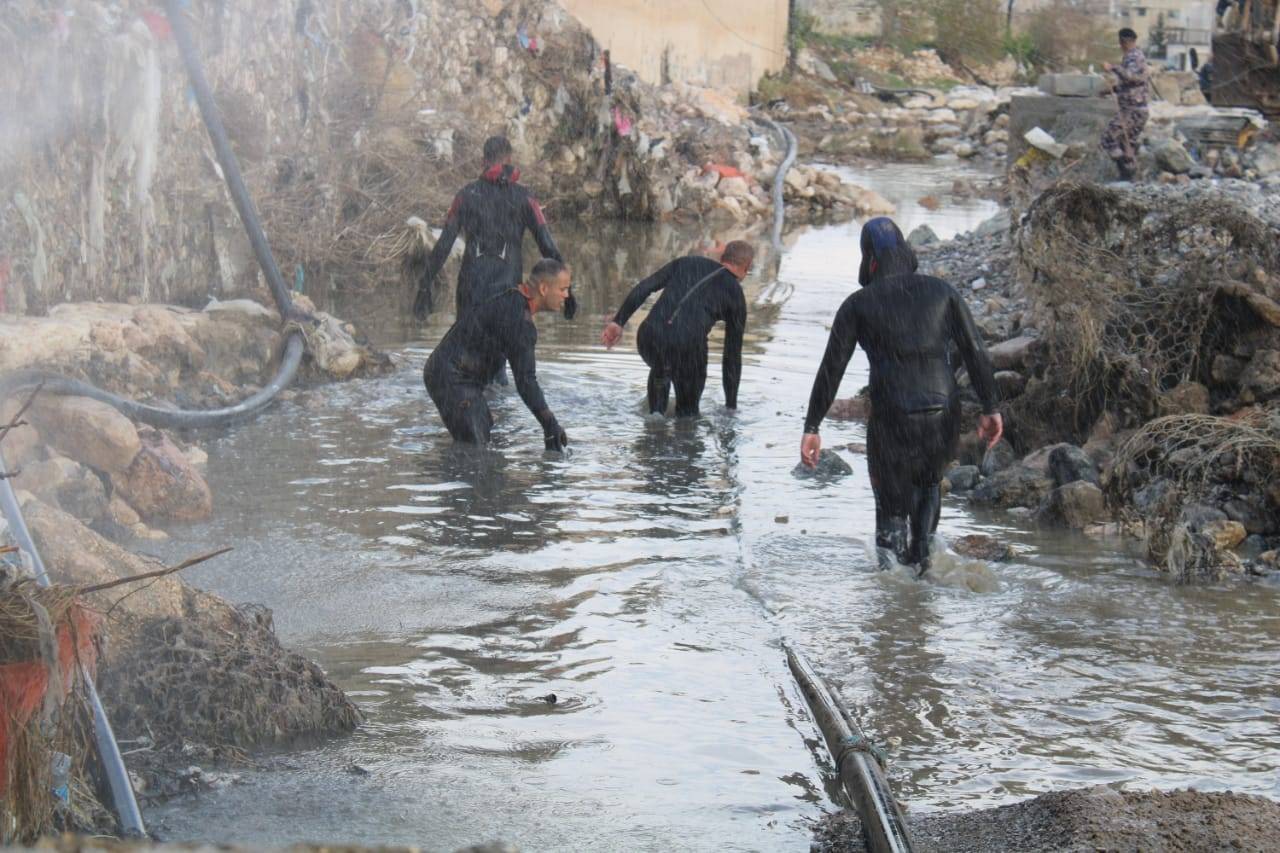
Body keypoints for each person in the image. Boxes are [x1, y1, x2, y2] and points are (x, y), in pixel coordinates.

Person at [799, 218, 1002, 576]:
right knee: (928, 486)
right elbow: (975, 351)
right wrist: (991, 407)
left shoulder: (858, 304)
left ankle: (893, 593)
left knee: (891, 508)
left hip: (893, 413)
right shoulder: (942, 292)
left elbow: (832, 368)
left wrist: (812, 425)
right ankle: (924, 568)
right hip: (942, 410)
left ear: (870, 261)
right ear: (906, 253)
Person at [413, 136, 572, 321]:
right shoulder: (525, 198)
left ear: (483, 161)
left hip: (470, 294)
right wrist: (567, 290)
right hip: (508, 296)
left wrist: (424, 285)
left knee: (469, 339)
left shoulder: (465, 196)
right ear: (510, 159)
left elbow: (444, 245)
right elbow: (548, 248)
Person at [424, 258, 571, 450]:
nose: (567, 295)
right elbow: (526, 381)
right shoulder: (521, 323)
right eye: (563, 289)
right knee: (476, 454)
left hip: (449, 373)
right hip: (453, 378)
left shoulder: (510, 296)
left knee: (482, 435)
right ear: (543, 289)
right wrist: (550, 424)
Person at [600, 241, 753, 418]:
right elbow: (731, 355)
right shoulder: (735, 295)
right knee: (688, 416)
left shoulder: (688, 262)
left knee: (662, 367)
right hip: (687, 348)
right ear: (747, 267)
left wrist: (618, 322)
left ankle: (655, 415)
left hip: (649, 336)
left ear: (722, 258)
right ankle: (680, 423)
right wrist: (730, 406)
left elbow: (646, 286)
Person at [1101, 28, 1150, 182]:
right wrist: (1112, 90)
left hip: (1133, 110)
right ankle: (1128, 179)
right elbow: (1131, 84)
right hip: (1134, 109)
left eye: (1121, 42)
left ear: (1124, 42)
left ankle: (1128, 171)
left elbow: (1133, 77)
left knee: (1109, 137)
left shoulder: (1134, 57)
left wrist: (1113, 68)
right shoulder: (1132, 56)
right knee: (1126, 145)